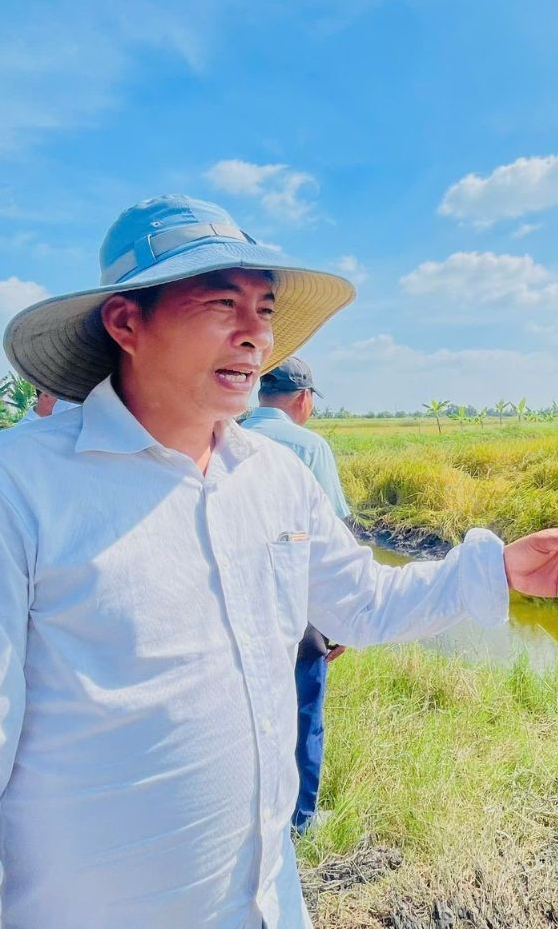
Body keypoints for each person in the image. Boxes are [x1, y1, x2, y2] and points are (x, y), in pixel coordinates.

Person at [0, 195, 558, 927]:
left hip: (264, 903)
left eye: (267, 311)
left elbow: (364, 605)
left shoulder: (274, 478)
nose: (256, 336)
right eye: (223, 304)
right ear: (126, 321)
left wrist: (500, 569)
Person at [240, 357, 350, 834]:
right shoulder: (310, 447)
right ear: (303, 399)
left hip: (233, 601)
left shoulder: (224, 434)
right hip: (298, 608)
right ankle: (301, 819)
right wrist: (340, 621)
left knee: (242, 715)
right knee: (304, 711)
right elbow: (332, 546)